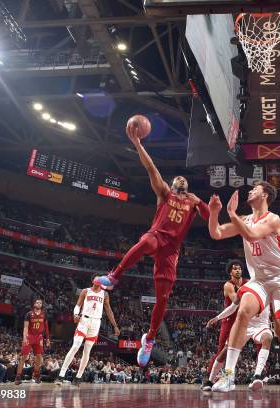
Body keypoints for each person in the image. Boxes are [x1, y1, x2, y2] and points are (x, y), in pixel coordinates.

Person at [94, 119, 210, 367]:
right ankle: (114, 276)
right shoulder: (165, 193)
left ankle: (150, 339)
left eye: (183, 179)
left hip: (172, 250)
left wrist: (208, 205)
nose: (180, 180)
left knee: (163, 300)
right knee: (146, 241)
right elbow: (151, 168)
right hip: (157, 237)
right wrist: (137, 143)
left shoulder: (193, 202)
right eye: (176, 178)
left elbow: (212, 221)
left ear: (188, 185)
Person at [207, 183, 280, 396]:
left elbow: (250, 235)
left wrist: (231, 213)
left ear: (265, 195)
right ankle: (229, 374)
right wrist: (214, 213)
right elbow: (217, 233)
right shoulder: (245, 219)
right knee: (243, 310)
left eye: (254, 189)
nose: (249, 191)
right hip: (259, 280)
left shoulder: (272, 219)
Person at [206, 283, 274, 391]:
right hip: (245, 325)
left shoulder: (270, 289)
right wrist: (217, 317)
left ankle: (257, 376)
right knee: (224, 351)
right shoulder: (245, 288)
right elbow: (232, 308)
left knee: (268, 338)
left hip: (261, 326)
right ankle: (210, 381)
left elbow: (275, 309)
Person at [56, 276, 119, 386]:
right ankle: (61, 375)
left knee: (87, 350)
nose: (96, 284)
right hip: (84, 320)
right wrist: (75, 314)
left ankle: (78, 377)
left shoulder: (105, 294)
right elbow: (78, 305)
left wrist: (115, 325)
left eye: (98, 283)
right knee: (76, 346)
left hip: (96, 323)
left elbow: (109, 310)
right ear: (93, 282)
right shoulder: (86, 291)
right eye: (95, 282)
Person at [201, 259, 245, 391]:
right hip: (229, 320)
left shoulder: (247, 282)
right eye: (235, 268)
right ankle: (208, 380)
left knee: (236, 350)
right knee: (222, 351)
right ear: (230, 272)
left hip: (242, 320)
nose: (238, 270)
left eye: (239, 268)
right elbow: (237, 301)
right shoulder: (228, 285)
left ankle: (253, 377)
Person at [14, 299, 50, 384]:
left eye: (40, 303)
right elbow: (25, 327)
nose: (39, 304)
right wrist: (24, 338)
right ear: (34, 304)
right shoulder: (29, 314)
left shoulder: (44, 314)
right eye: (37, 302)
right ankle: (18, 376)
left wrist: (48, 338)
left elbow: (46, 327)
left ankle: (36, 374)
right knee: (24, 356)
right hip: (30, 336)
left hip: (39, 337)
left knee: (39, 357)